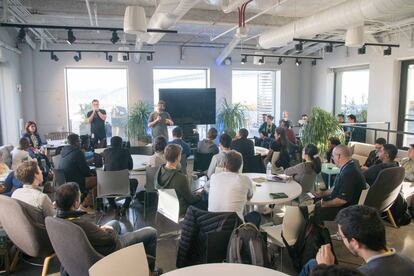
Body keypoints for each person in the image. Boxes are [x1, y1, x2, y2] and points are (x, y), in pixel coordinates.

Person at [54, 183, 160, 274]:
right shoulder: (81, 225)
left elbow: (92, 232)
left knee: (115, 223)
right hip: (107, 249)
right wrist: (109, 230)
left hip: (94, 244)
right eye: (79, 197)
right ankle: (149, 270)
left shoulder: (57, 219)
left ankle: (126, 260)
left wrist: (99, 228)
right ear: (75, 203)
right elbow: (111, 239)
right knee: (151, 232)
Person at [300, 205, 414, 276]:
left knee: (313, 264)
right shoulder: (407, 261)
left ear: (354, 243)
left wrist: (326, 270)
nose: (341, 239)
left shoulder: (363, 273)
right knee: (312, 264)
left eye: (341, 237)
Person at [313, 145, 366, 222]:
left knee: (313, 211)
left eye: (333, 156)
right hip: (341, 202)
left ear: (338, 156)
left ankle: (318, 232)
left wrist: (324, 204)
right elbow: (334, 187)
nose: (332, 158)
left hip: (347, 209)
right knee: (314, 199)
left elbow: (342, 201)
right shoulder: (349, 166)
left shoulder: (349, 173)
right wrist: (321, 194)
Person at [208, 150, 261, 227]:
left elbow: (207, 187)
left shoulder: (214, 177)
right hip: (235, 228)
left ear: (224, 164)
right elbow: (249, 197)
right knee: (256, 215)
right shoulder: (245, 180)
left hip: (212, 225)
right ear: (240, 165)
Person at [154, 144, 205, 215]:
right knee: (204, 202)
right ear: (178, 157)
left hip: (164, 208)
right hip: (179, 210)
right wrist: (201, 194)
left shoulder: (159, 170)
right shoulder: (181, 177)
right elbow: (191, 200)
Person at [58, 134, 96, 211]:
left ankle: (84, 200)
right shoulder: (78, 152)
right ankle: (85, 204)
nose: (80, 143)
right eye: (79, 141)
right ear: (76, 142)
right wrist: (92, 174)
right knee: (99, 181)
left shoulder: (63, 151)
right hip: (76, 181)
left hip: (65, 180)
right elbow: (86, 171)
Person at [103, 136, 137, 215]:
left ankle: (114, 207)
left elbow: (105, 166)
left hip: (108, 185)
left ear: (110, 144)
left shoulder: (105, 152)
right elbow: (130, 167)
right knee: (134, 182)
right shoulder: (126, 151)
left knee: (106, 188)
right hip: (123, 184)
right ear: (121, 143)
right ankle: (125, 206)